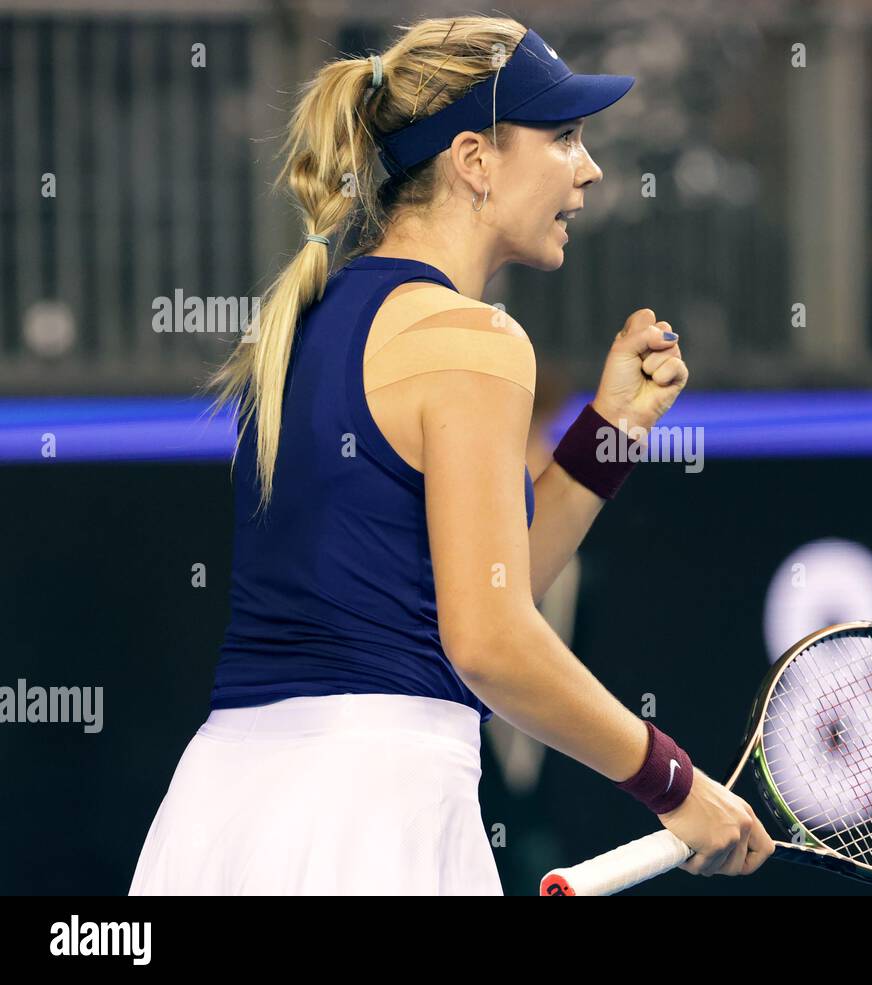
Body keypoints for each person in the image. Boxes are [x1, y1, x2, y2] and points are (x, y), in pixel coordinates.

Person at [128, 16, 774, 895]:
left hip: (216, 820)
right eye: (564, 137)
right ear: (474, 159)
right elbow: (489, 642)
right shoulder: (473, 338)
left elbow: (481, 593)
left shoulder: (302, 326)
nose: (588, 169)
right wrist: (675, 783)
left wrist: (611, 430)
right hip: (370, 817)